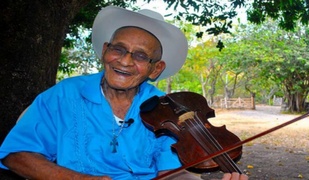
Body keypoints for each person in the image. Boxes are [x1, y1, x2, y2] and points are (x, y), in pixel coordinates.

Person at [0, 6, 248, 180]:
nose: (125, 61)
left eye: (140, 56)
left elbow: (173, 174)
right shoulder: (64, 95)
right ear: (105, 51)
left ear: (155, 69)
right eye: (119, 49)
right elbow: (15, 154)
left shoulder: (170, 110)